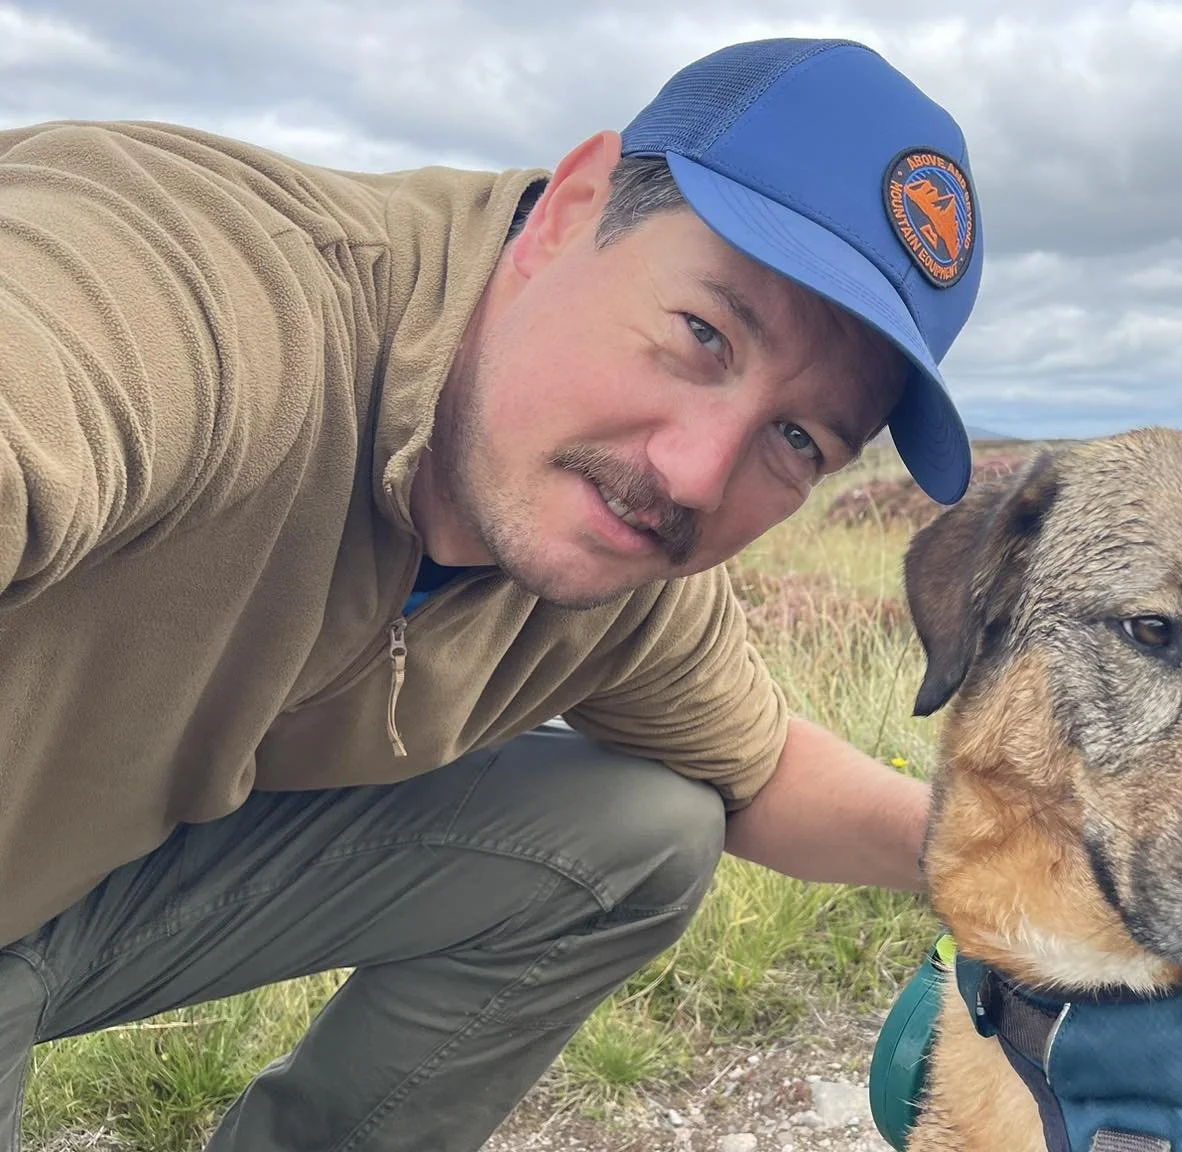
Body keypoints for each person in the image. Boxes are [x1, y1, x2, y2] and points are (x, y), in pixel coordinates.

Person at [0, 36, 981, 1151]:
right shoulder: (210, 290)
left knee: (643, 831)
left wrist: (1070, 877)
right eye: (703, 334)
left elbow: (756, 771)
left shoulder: (614, 559)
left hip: (66, 898)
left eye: (797, 439)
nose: (695, 473)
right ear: (568, 208)